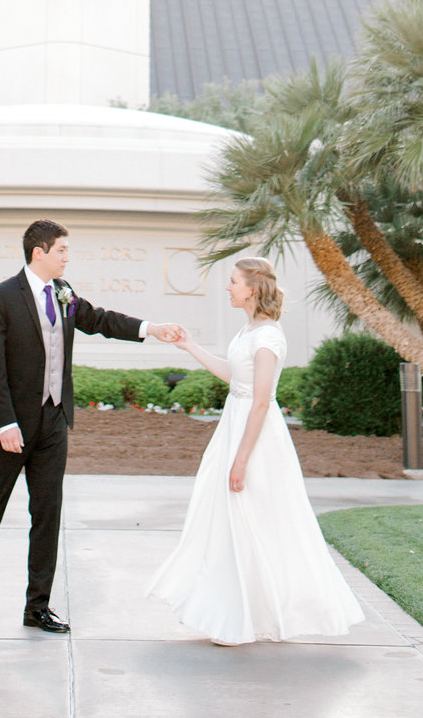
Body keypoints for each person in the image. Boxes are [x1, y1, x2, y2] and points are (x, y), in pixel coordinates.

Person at [0, 217, 183, 639]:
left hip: (53, 423)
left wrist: (152, 329)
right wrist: (4, 422)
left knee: (48, 516)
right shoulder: (1, 297)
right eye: (62, 250)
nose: (66, 258)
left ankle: (37, 607)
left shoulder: (65, 293)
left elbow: (98, 320)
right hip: (9, 429)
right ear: (39, 252)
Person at [146, 257, 365, 645]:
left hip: (256, 437)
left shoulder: (267, 337)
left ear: (251, 288)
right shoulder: (249, 330)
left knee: (253, 521)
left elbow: (262, 402)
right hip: (235, 424)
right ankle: (238, 615)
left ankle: (251, 619)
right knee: (232, 523)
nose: (227, 288)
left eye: (232, 282)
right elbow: (236, 379)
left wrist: (242, 459)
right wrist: (190, 346)